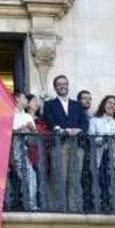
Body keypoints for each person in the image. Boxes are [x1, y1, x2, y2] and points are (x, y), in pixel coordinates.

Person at [42, 75, 89, 212]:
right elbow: (49, 120)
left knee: (75, 178)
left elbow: (84, 122)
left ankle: (74, 209)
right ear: (55, 87)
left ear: (68, 86)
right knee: (60, 177)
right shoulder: (49, 104)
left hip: (76, 144)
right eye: (59, 84)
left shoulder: (77, 104)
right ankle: (60, 209)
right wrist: (62, 130)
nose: (62, 86)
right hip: (59, 143)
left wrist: (79, 130)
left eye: (64, 84)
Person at [89, 95, 115, 212]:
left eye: (114, 104)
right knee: (102, 180)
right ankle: (104, 204)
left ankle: (114, 204)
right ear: (104, 105)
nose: (111, 105)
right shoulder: (95, 120)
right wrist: (103, 139)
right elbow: (91, 137)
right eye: (109, 103)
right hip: (101, 154)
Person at [11, 92, 38, 210]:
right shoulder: (7, 114)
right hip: (8, 149)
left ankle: (30, 204)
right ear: (17, 99)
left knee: (30, 176)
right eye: (23, 98)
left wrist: (32, 131)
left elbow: (33, 142)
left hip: (22, 150)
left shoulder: (28, 117)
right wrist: (18, 130)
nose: (26, 100)